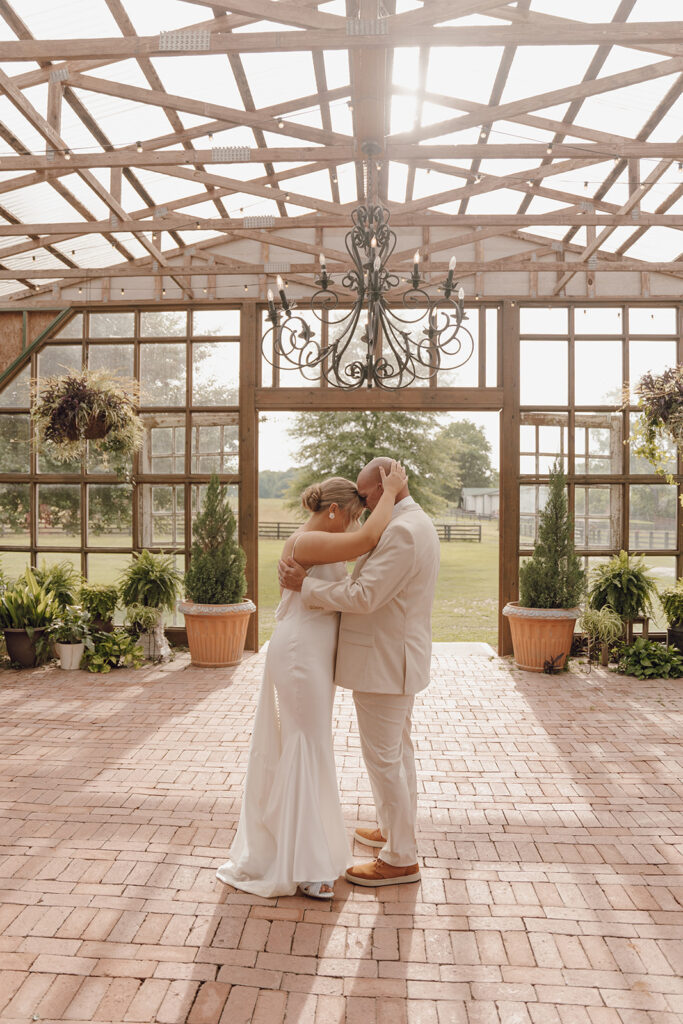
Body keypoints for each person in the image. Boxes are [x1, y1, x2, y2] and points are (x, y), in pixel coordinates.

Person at [216, 461, 408, 900]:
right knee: (306, 743)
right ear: (338, 512)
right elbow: (368, 539)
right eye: (355, 513)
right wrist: (393, 490)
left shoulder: (321, 539)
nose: (357, 523)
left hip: (311, 653)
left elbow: (364, 544)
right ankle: (306, 867)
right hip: (301, 653)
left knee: (312, 743)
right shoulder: (309, 540)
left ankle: (306, 853)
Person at [279, 456, 440, 887]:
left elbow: (366, 595)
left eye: (367, 496)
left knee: (385, 759)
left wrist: (306, 587)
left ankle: (400, 857)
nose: (364, 507)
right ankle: (393, 831)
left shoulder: (403, 531)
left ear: (388, 485)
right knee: (397, 755)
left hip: (385, 663)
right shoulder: (409, 522)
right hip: (391, 658)